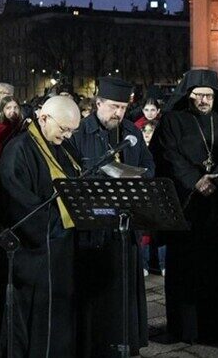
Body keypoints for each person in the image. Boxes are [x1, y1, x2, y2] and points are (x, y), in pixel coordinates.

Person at [150, 69, 218, 343]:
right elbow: (167, 156)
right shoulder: (172, 121)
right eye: (198, 95)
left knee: (217, 269)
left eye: (209, 96)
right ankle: (185, 329)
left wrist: (217, 179)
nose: (203, 100)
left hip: (216, 210)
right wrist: (195, 180)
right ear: (187, 96)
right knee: (185, 270)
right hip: (186, 209)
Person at [67, 76, 155, 356]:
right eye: (113, 107)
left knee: (124, 287)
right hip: (91, 227)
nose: (118, 113)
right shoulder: (79, 132)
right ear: (98, 103)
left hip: (125, 226)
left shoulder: (131, 131)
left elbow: (148, 167)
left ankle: (125, 340)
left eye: (123, 107)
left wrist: (140, 179)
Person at [0, 96, 83, 356]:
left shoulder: (64, 146)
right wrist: (56, 223)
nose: (67, 136)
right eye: (64, 129)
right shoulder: (18, 149)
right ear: (43, 118)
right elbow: (18, 201)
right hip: (33, 252)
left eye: (72, 131)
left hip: (62, 245)